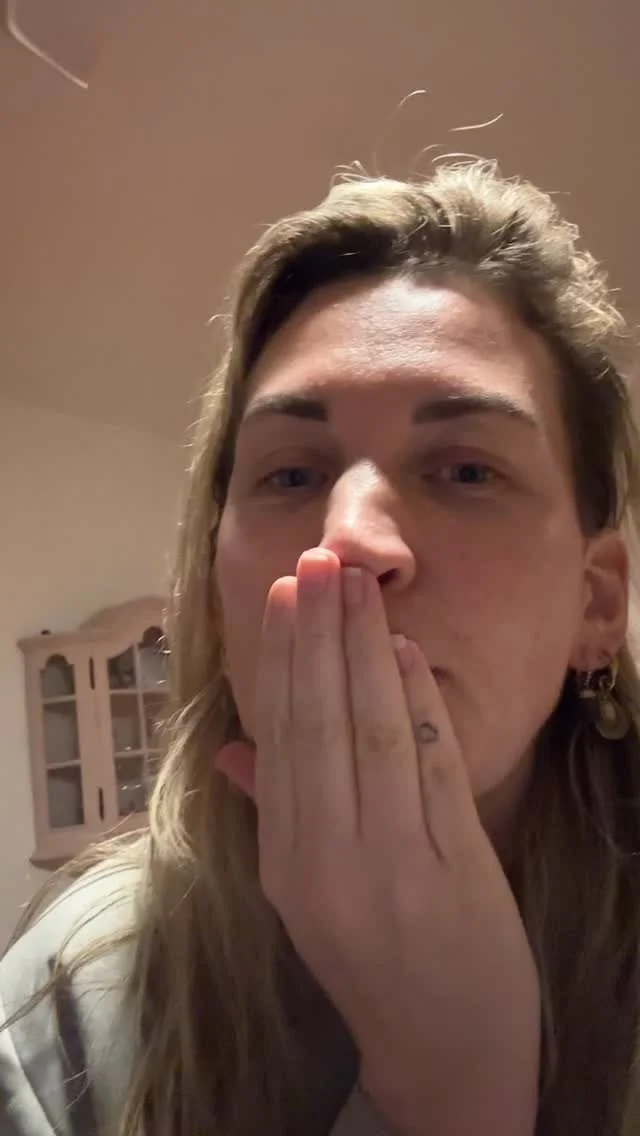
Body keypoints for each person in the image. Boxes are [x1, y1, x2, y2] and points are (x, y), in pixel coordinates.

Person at [2, 159, 640, 1136]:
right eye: (291, 474)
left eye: (466, 470)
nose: (345, 540)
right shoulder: (60, 1018)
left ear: (595, 603)